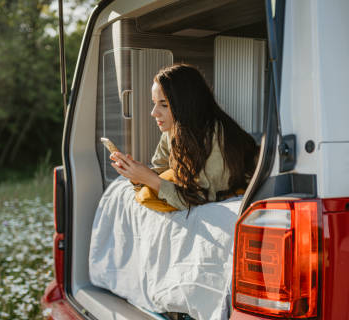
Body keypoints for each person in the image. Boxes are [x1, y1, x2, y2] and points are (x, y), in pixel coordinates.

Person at [110, 63, 258, 211]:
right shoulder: (173, 130)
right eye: (154, 103)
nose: (153, 113)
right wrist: (136, 176)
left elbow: (201, 200)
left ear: (186, 104)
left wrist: (150, 179)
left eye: (164, 105)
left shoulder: (216, 137)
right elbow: (161, 170)